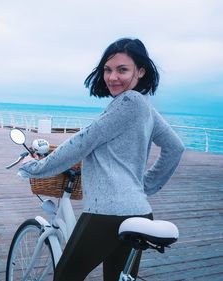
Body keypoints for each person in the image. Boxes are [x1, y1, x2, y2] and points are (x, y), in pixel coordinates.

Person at [18, 38, 185, 280]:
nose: (112, 77)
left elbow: (84, 141)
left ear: (141, 71)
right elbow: (175, 147)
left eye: (122, 69)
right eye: (108, 69)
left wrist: (34, 167)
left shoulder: (129, 101)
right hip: (139, 211)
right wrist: (143, 186)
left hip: (107, 214)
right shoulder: (145, 106)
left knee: (65, 277)